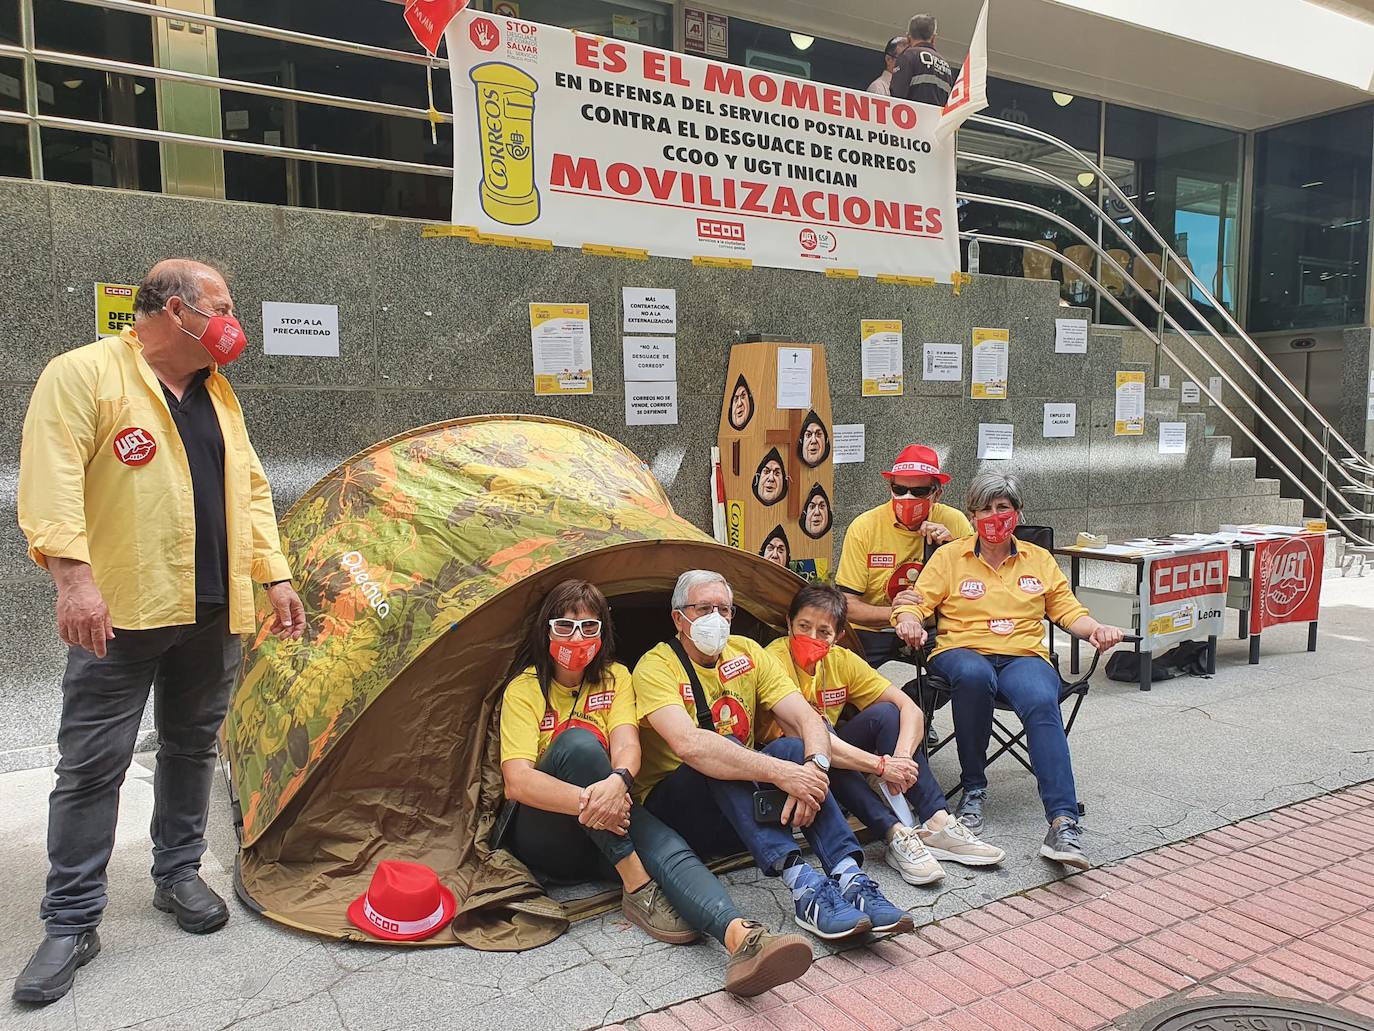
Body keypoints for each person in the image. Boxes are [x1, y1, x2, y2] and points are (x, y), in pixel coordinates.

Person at [14, 259, 306, 1005]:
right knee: (91, 765)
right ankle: (73, 918)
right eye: (225, 305)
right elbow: (49, 482)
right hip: (122, 610)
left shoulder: (219, 394)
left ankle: (177, 873)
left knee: (191, 746)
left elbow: (251, 486)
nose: (234, 321)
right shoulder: (83, 374)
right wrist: (73, 581)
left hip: (212, 612)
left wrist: (274, 575)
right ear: (176, 310)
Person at [500, 580, 812, 997]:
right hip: (550, 835)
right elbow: (517, 781)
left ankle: (742, 938)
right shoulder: (524, 688)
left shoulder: (615, 678)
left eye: (589, 627)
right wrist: (594, 801)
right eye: (565, 626)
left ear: (603, 634)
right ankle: (638, 886)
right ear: (546, 631)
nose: (577, 638)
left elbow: (628, 746)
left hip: (610, 823)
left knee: (658, 837)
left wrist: (618, 782)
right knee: (578, 747)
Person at [634, 571, 913, 941]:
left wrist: (813, 770)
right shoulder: (655, 667)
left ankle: (850, 877)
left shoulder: (746, 653)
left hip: (739, 810)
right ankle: (804, 887)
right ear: (678, 618)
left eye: (724, 610)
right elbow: (690, 745)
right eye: (703, 608)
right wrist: (783, 774)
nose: (715, 618)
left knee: (795, 748)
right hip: (679, 812)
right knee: (721, 747)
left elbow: (806, 718)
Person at [892, 471, 1126, 871]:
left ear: (1017, 512)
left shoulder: (1039, 559)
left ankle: (1063, 821)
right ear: (971, 514)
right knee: (974, 675)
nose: (993, 516)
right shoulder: (950, 557)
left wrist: (1096, 630)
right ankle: (974, 788)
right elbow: (916, 602)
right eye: (985, 508)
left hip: (1023, 656)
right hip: (960, 651)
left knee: (1040, 696)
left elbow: (1068, 611)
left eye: (1002, 507)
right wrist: (909, 619)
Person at [764, 584, 1005, 886]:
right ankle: (895, 834)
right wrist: (880, 766)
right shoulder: (772, 660)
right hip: (786, 760)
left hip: (831, 751)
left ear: (838, 636)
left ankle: (937, 822)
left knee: (889, 714)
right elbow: (811, 739)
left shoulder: (841, 660)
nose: (812, 638)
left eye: (823, 632)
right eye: (803, 626)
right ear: (788, 623)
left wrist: (901, 758)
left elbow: (911, 709)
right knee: (821, 743)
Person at [836, 444, 971, 667]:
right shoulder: (864, 527)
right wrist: (901, 616)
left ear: (937, 494)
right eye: (899, 490)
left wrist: (951, 548)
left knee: (964, 669)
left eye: (918, 492)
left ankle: (913, 700)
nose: (907, 498)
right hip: (873, 630)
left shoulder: (954, 522)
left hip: (934, 630)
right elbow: (847, 605)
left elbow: (974, 594)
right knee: (843, 672)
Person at [889, 14, 955, 106]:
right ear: (933, 38)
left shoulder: (907, 56)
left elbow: (896, 95)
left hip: (912, 118)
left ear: (908, 37)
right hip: (936, 119)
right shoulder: (946, 65)